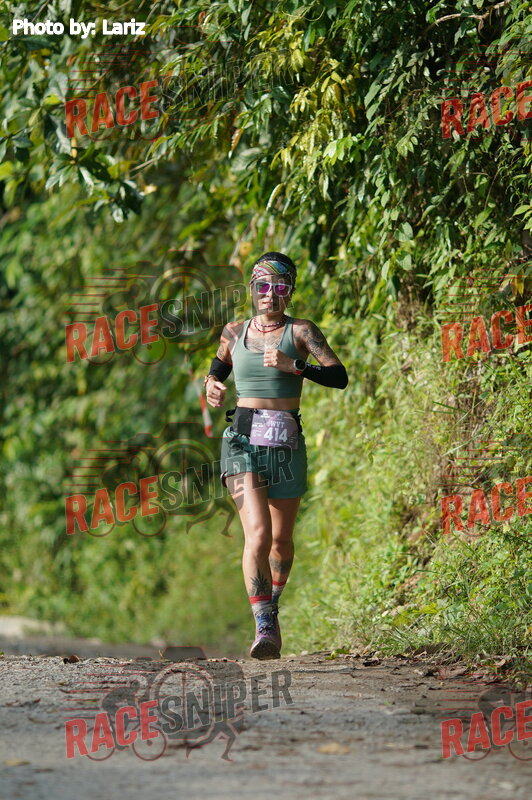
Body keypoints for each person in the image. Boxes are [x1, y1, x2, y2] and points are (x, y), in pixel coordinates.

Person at [204, 252, 348, 659]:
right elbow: (218, 366)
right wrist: (211, 383)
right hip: (241, 442)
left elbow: (339, 376)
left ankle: (272, 601)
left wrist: (296, 366)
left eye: (280, 287)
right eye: (263, 286)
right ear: (252, 289)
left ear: (290, 291)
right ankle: (264, 624)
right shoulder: (234, 331)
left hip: (286, 446)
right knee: (259, 534)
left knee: (281, 542)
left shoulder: (301, 331)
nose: (270, 294)